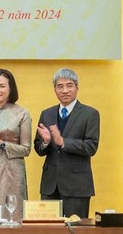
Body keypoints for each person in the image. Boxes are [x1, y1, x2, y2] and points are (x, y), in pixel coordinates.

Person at [34, 68, 100, 218]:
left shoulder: (90, 114)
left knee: (76, 229)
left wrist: (63, 142)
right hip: (50, 186)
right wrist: (45, 142)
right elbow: (38, 148)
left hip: (77, 186)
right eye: (60, 86)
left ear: (77, 87)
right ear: (55, 90)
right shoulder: (47, 113)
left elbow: (91, 147)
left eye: (69, 85)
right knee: (48, 230)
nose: (65, 90)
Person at [0, 69, 32, 221]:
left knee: (11, 215)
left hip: (11, 172)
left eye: (2, 86)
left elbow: (26, 149)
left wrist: (0, 143)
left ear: (10, 88)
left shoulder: (22, 113)